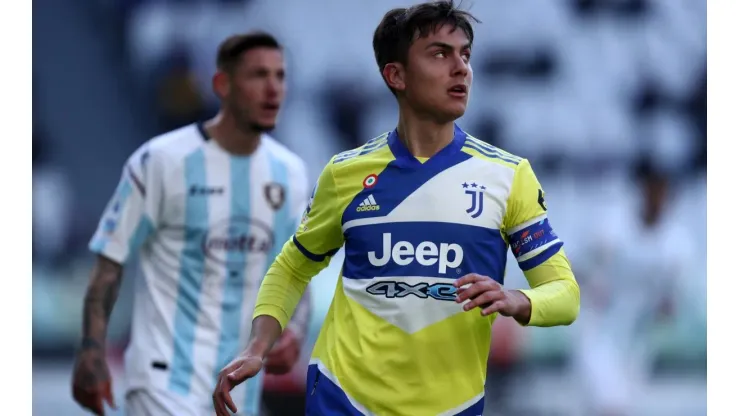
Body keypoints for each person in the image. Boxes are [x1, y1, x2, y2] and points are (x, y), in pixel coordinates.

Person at [213, 2, 580, 415]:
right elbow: (294, 266)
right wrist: (257, 347)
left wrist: (517, 300)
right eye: (440, 54)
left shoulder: (509, 176)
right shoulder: (346, 173)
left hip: (450, 405)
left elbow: (566, 296)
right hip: (343, 396)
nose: (460, 68)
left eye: (465, 55)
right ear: (396, 75)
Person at [71, 32, 312, 416]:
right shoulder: (161, 161)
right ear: (222, 85)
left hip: (239, 392)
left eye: (280, 76)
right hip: (162, 384)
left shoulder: (292, 174)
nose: (273, 89)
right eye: (258, 75)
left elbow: (296, 270)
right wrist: (91, 349)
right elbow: (109, 265)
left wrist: (294, 331)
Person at [572, 160, 695, 416]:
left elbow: (670, 304)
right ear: (642, 191)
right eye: (652, 190)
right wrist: (589, 285)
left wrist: (661, 309)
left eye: (663, 192)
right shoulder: (611, 229)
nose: (657, 198)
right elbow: (575, 267)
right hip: (598, 330)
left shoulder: (677, 246)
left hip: (638, 342)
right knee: (609, 405)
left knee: (622, 407)